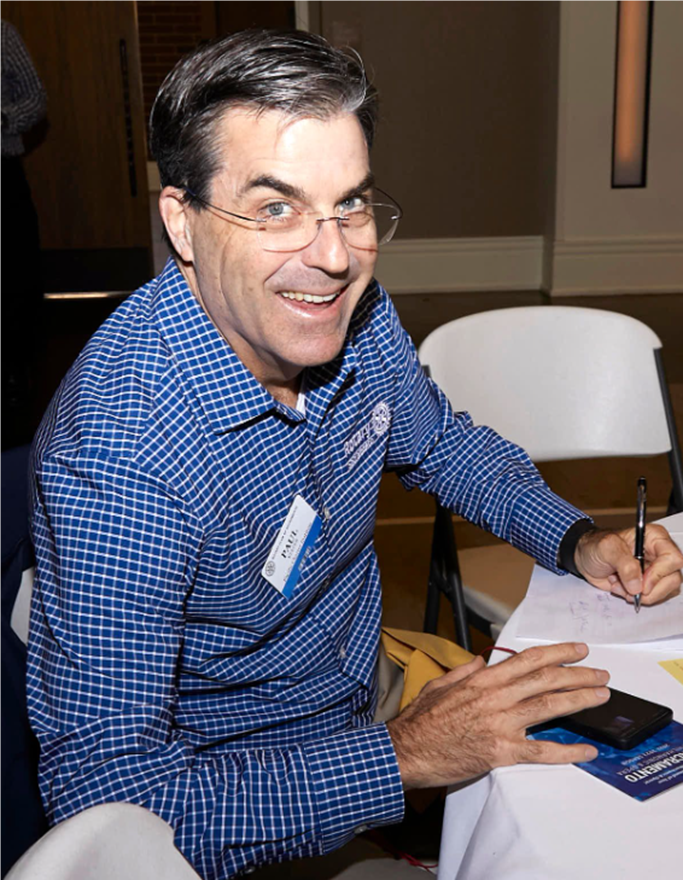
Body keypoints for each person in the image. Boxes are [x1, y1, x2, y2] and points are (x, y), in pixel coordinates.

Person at [27, 29, 683, 879]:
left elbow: (439, 444)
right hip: (250, 777)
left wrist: (575, 539)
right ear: (182, 222)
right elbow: (105, 800)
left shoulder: (348, 315)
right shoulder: (121, 460)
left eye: (350, 204)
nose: (334, 257)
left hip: (365, 673)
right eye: (275, 209)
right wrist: (401, 756)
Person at [0, 19, 46, 414]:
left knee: (15, 270)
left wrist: (2, 118)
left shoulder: (3, 35)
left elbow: (35, 99)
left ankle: (16, 368)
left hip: (2, 171)